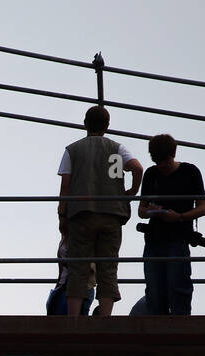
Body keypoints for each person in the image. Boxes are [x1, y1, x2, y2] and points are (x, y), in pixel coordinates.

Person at [57, 105, 143, 316]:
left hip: (81, 215)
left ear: (85, 123)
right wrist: (132, 190)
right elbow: (138, 167)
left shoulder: (72, 150)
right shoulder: (118, 148)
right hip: (112, 215)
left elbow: (65, 187)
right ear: (107, 126)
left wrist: (62, 215)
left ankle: (74, 319)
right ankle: (105, 317)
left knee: (78, 268)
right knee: (108, 268)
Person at [138, 134, 205, 315]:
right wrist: (155, 211)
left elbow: (203, 208)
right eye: (157, 161)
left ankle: (180, 332)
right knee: (154, 292)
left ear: (173, 155)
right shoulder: (151, 174)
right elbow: (141, 210)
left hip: (178, 240)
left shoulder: (190, 172)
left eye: (165, 161)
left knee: (179, 290)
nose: (161, 165)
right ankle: (158, 333)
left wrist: (179, 217)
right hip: (154, 239)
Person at [45, 218, 95, 315]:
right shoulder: (64, 237)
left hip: (82, 289)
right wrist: (57, 288)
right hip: (62, 288)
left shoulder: (86, 237)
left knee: (76, 325)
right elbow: (61, 269)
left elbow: (90, 268)